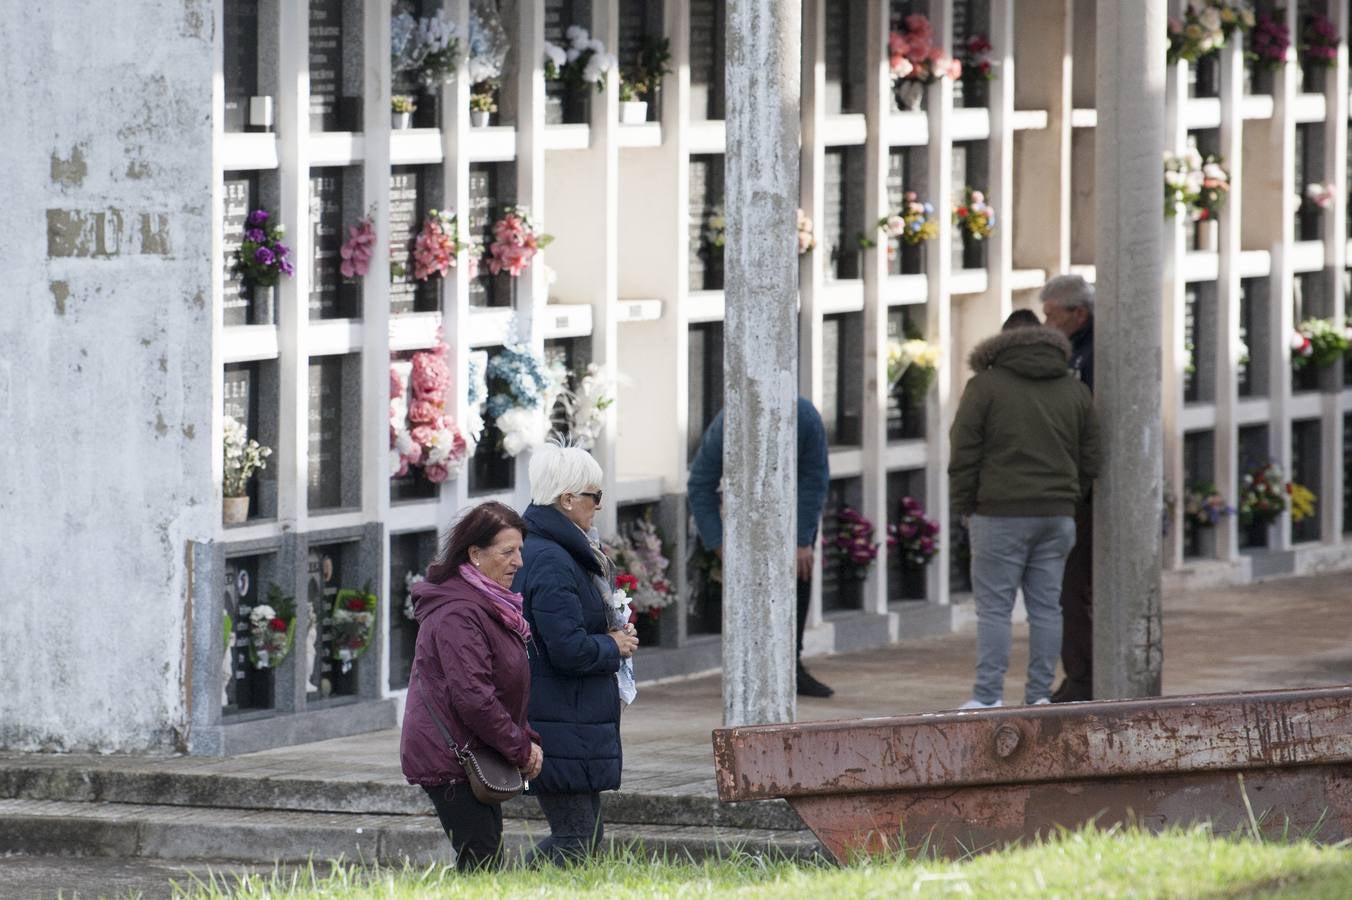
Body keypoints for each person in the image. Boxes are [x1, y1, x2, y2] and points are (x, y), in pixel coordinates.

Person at [949, 311, 1100, 709]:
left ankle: (987, 697)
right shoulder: (1074, 390)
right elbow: (1091, 458)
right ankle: (1038, 696)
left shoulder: (984, 387)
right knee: (1047, 608)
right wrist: (1067, 497)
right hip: (1057, 517)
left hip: (998, 513)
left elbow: (964, 451)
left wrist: (965, 506)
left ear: (1002, 343)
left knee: (995, 610)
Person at [399, 501, 544, 872]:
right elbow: (474, 697)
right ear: (475, 554)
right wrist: (520, 747)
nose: (518, 563)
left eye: (520, 551)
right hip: (452, 757)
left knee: (482, 857)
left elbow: (502, 686)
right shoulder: (459, 612)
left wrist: (525, 736)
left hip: (475, 750)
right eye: (507, 552)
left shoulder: (490, 605)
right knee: (480, 860)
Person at [514, 442, 638, 864]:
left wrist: (609, 633)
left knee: (584, 838)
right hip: (560, 721)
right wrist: (613, 645)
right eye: (594, 496)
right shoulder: (551, 558)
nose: (599, 506)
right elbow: (566, 650)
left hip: (572, 720)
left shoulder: (558, 549)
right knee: (575, 840)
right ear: (567, 500)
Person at [687, 396, 832, 697]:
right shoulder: (729, 421)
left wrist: (802, 540)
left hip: (794, 521)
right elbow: (700, 482)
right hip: (744, 526)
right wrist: (719, 542)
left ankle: (792, 665)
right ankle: (746, 671)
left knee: (798, 581)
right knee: (748, 598)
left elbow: (814, 479)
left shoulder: (805, 418)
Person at [1041, 274, 1096, 702]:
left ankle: (1083, 679)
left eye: (1052, 316)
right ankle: (1081, 675)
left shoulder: (1092, 356)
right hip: (1075, 489)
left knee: (1073, 590)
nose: (1047, 326)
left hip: (1084, 494)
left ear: (1078, 314)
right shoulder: (1075, 352)